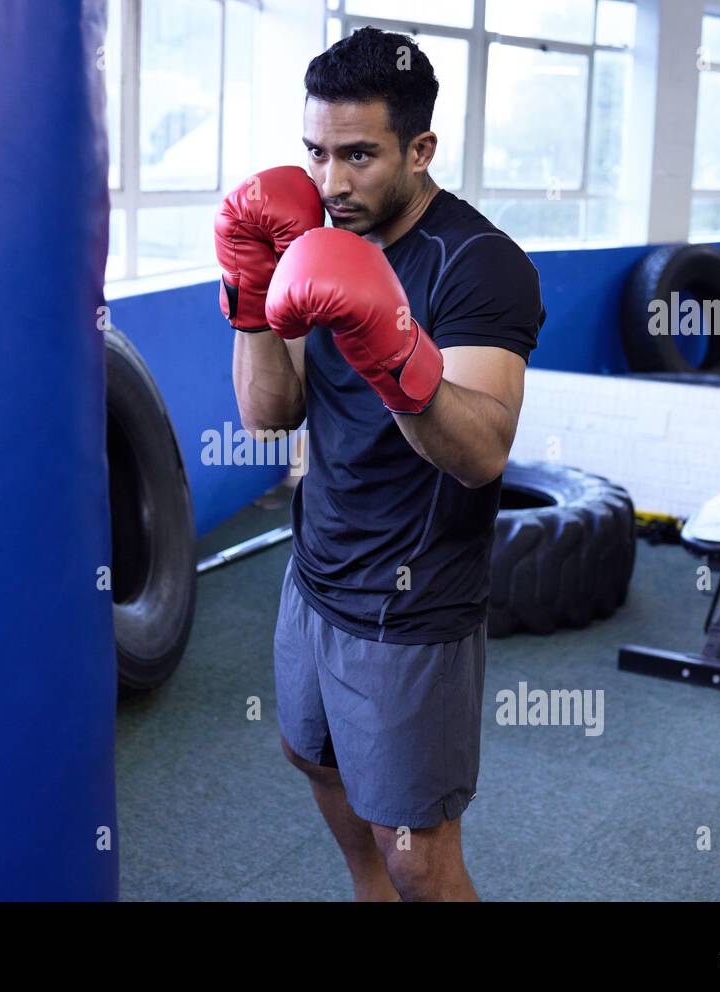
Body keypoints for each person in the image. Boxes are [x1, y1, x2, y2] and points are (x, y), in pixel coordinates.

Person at [213, 26, 545, 902]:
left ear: (420, 148)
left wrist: (390, 348)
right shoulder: (314, 238)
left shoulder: (480, 265)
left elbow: (481, 453)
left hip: (413, 601)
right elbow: (266, 414)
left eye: (358, 155)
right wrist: (251, 292)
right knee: (316, 765)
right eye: (316, 152)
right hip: (315, 574)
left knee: (418, 855)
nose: (330, 182)